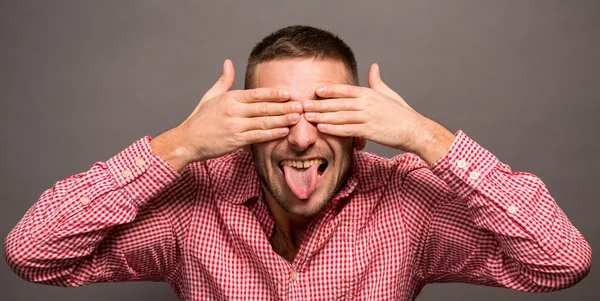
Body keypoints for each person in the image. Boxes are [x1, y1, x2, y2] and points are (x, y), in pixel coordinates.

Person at [4, 25, 591, 300]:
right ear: (243, 133)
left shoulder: (408, 205)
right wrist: (178, 145)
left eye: (327, 113)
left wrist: (425, 136)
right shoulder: (194, 203)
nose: (304, 138)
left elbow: (561, 263)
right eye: (276, 115)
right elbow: (33, 253)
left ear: (361, 132)